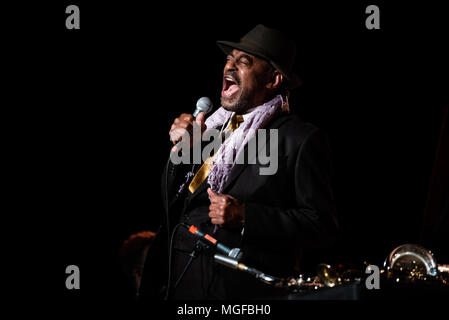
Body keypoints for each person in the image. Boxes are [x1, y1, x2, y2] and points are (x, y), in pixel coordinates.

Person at [139, 24, 339, 300]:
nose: (229, 66)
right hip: (183, 282)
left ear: (273, 80)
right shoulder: (210, 129)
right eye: (228, 59)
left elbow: (321, 226)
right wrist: (181, 153)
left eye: (243, 62)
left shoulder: (300, 138)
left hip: (239, 292)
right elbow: (170, 202)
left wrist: (247, 216)